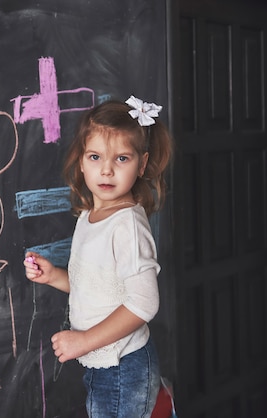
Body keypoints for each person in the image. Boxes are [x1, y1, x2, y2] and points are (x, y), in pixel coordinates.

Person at [24, 96, 173, 418]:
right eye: (95, 156)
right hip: (103, 360)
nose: (106, 170)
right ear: (81, 161)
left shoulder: (128, 225)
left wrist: (84, 341)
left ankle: (159, 405)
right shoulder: (90, 216)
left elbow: (144, 303)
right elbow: (99, 288)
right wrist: (55, 276)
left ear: (142, 164)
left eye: (121, 158)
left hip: (123, 363)